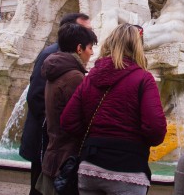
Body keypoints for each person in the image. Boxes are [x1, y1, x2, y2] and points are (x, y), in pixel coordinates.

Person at [60, 23, 167, 195]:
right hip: (128, 168)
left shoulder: (91, 76)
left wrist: (95, 137)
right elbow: (156, 130)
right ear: (138, 47)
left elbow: (67, 120)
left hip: (90, 166)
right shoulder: (144, 78)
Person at [19, 13, 91, 195]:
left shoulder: (60, 56)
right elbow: (35, 96)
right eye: (85, 29)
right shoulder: (53, 54)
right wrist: (55, 125)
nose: (89, 33)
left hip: (50, 140)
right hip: (45, 138)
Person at [35, 22, 98, 194]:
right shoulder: (74, 77)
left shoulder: (57, 71)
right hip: (66, 162)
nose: (92, 52)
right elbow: (81, 121)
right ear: (79, 48)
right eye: (90, 47)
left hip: (53, 157)